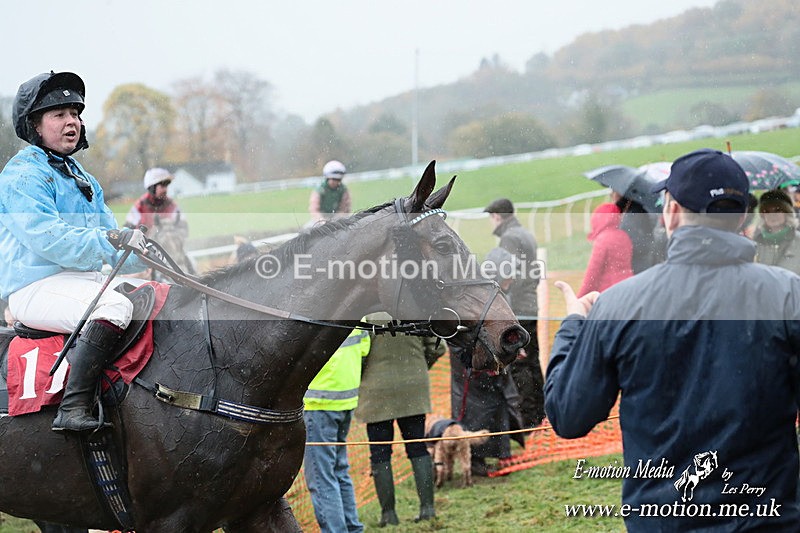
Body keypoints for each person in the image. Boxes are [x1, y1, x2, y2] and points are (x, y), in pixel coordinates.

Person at [545, 148, 800, 531]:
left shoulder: (620, 305)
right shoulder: (787, 294)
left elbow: (567, 414)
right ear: (743, 216)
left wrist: (573, 325)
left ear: (672, 211)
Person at [0, 71, 148, 433]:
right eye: (59, 115)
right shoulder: (22, 175)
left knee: (152, 299)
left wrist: (135, 250)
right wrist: (111, 241)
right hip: (33, 288)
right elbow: (49, 238)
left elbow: (108, 235)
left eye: (75, 114)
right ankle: (73, 406)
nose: (72, 122)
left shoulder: (81, 176)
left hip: (79, 281)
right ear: (35, 126)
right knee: (114, 307)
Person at [354, 311, 445, 526]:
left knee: (380, 453)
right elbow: (438, 347)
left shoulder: (366, 313)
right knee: (418, 448)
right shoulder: (414, 310)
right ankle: (428, 509)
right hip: (413, 388)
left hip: (376, 391)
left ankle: (389, 515)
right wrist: (419, 366)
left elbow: (359, 353)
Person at [450, 249, 526, 477]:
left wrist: (512, 347)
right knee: (475, 413)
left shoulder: (503, 296)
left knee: (499, 408)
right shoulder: (472, 298)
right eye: (509, 275)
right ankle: (475, 461)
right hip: (471, 369)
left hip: (496, 368)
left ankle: (501, 453)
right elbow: (457, 336)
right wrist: (476, 356)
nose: (512, 279)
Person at [483, 198, 545, 429]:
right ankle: (540, 410)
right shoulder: (525, 233)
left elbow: (506, 274)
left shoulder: (509, 238)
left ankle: (528, 418)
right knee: (532, 360)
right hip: (531, 305)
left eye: (491, 217)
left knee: (519, 362)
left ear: (497, 216)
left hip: (518, 307)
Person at [303, 327, 371, 533]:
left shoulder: (320, 307)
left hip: (321, 401)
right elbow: (364, 349)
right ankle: (352, 528)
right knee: (339, 470)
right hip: (346, 397)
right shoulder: (357, 313)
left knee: (321, 477)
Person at [125, 167, 194, 277]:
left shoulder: (172, 205)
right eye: (162, 186)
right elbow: (128, 232)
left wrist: (173, 236)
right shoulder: (139, 207)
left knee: (191, 267)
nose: (165, 189)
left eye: (166, 186)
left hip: (171, 253)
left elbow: (184, 228)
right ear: (152, 188)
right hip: (146, 254)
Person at [577, 202, 633, 297]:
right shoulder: (624, 236)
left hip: (609, 290)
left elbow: (593, 272)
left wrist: (579, 297)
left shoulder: (603, 239)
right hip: (628, 286)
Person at [753, 189, 800, 274]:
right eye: (767, 211)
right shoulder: (755, 244)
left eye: (777, 210)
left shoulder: (798, 241)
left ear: (787, 213)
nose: (772, 215)